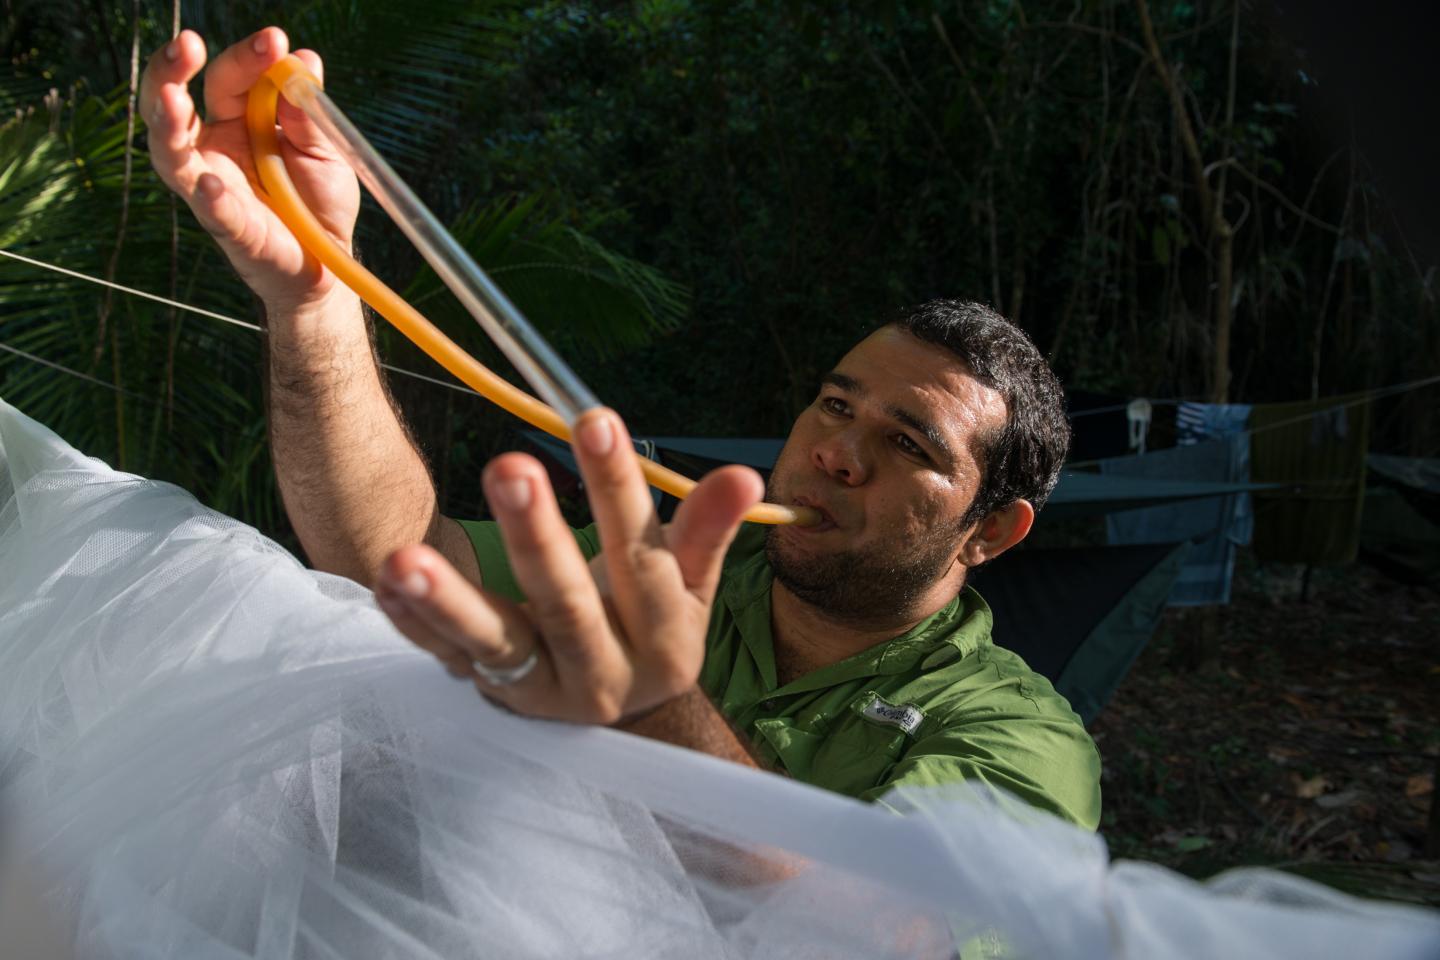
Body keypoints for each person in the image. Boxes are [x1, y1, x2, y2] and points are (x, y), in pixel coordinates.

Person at [141, 27, 1100, 829]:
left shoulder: (1020, 743)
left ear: (992, 530)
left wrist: (654, 707)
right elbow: (394, 558)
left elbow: (878, 935)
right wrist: (315, 299)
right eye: (836, 405)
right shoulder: (680, 575)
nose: (835, 453)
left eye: (909, 445)